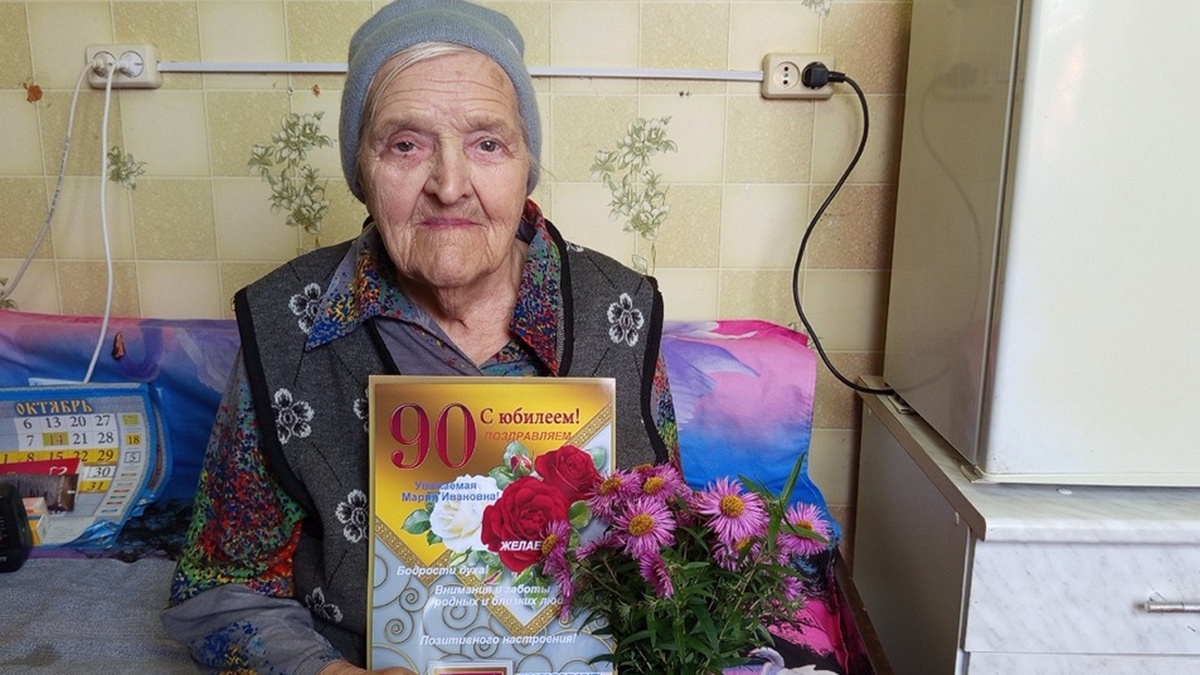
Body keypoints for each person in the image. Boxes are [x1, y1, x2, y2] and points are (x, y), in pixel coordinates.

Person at [162, 1, 679, 673]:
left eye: (487, 144)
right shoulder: (286, 325)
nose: (449, 185)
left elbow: (669, 561)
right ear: (362, 171)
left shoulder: (621, 313)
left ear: (525, 165)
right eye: (406, 145)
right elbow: (219, 590)